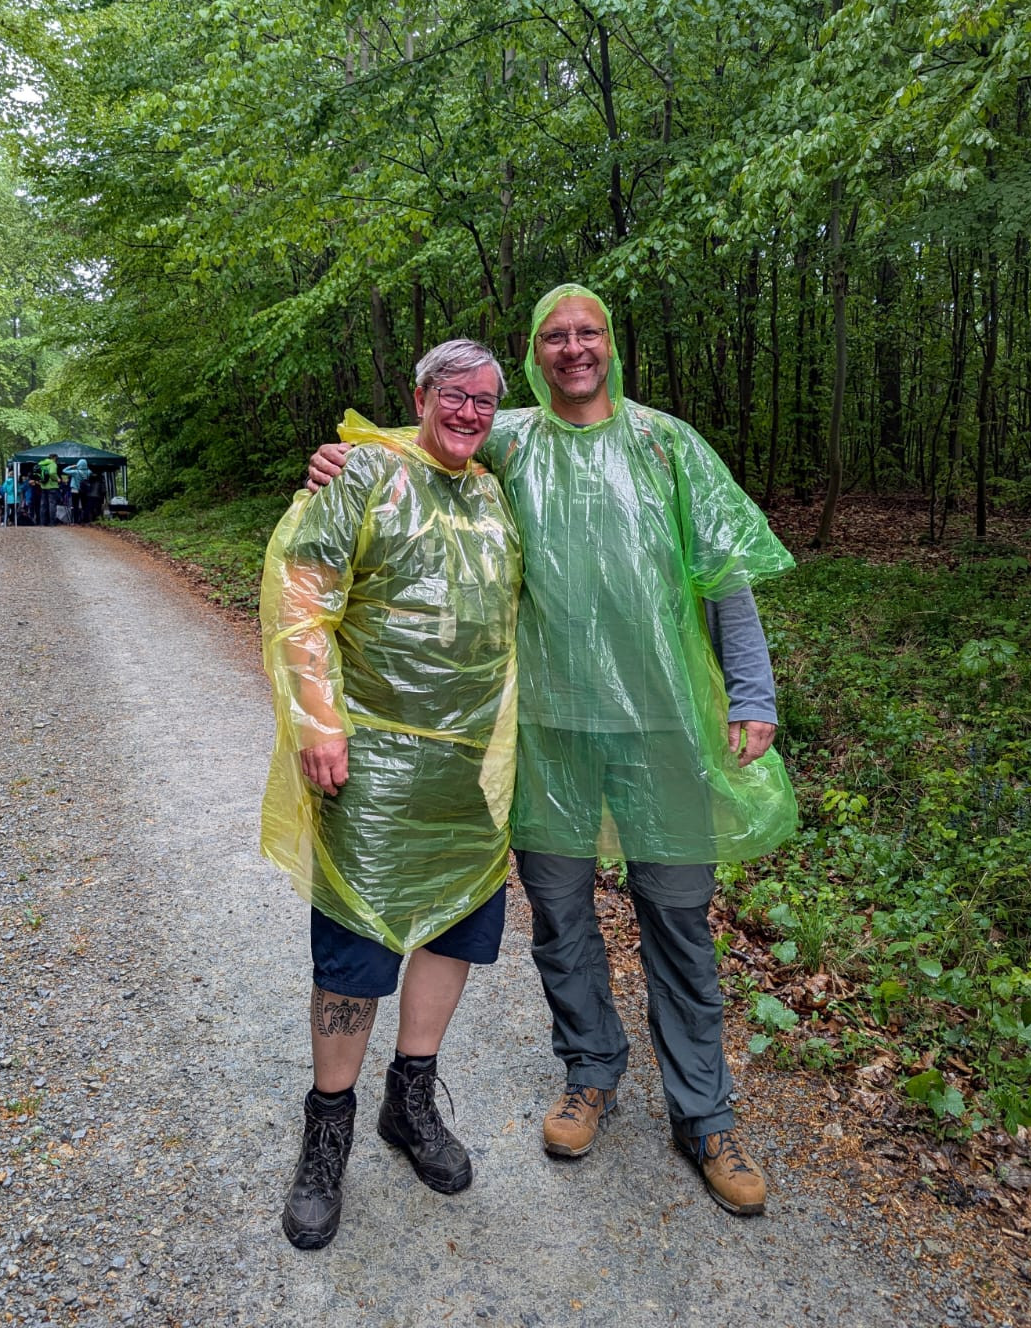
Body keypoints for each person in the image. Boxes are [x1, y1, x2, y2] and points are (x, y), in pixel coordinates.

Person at [309, 286, 797, 1217]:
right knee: (563, 922)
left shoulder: (668, 444)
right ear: (536, 353)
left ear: (612, 343)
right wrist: (347, 458)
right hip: (543, 732)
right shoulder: (510, 439)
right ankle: (591, 1071)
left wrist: (752, 691)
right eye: (555, 337)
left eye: (589, 333)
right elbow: (425, 454)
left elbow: (725, 568)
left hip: (662, 728)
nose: (574, 349)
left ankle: (706, 1114)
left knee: (679, 920)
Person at [261, 339, 522, 1252]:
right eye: (454, 396)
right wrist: (318, 721)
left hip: (472, 769)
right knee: (356, 946)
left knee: (456, 927)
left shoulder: (497, 489)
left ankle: (410, 1104)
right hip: (370, 763)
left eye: (487, 401)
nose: (469, 413)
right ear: (420, 395)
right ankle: (326, 1131)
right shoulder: (364, 473)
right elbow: (302, 595)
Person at [37, 454, 61, 525]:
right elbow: (52, 473)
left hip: (43, 486)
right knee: (52, 504)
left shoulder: (42, 464)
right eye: (57, 459)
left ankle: (43, 522)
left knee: (43, 504)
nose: (57, 460)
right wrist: (57, 479)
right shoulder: (52, 464)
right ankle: (52, 522)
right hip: (52, 486)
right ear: (54, 458)